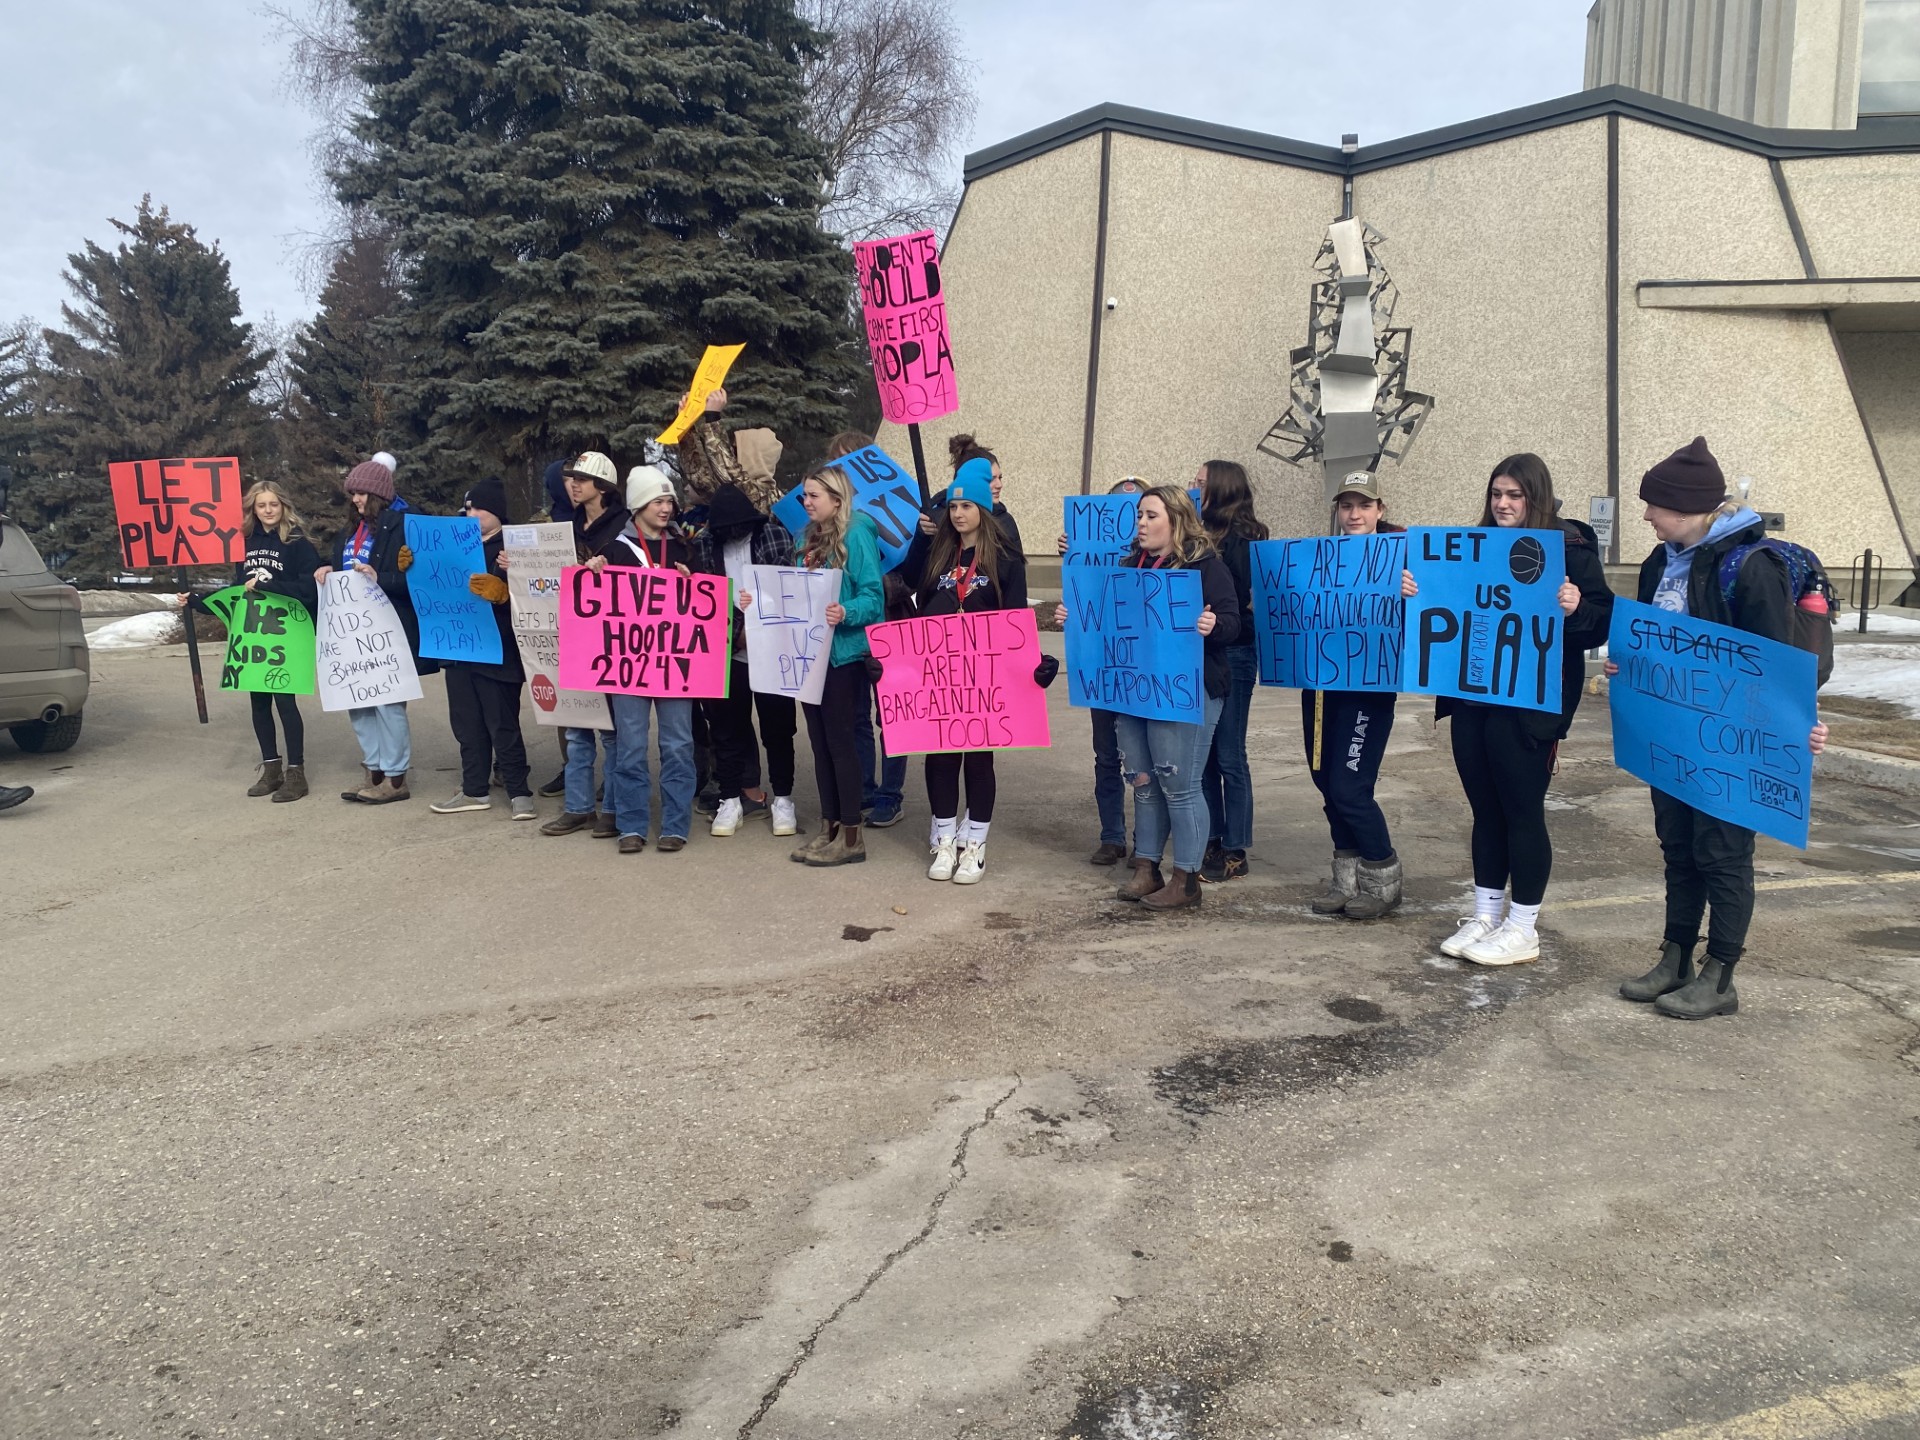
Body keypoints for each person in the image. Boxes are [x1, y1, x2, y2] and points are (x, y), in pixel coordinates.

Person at [1609, 436, 1828, 1019]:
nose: (1646, 515)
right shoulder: (1660, 562)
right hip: (1672, 735)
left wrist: (1797, 729)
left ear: (1683, 507)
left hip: (1733, 745)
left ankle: (1721, 974)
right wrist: (1626, 661)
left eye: (1653, 505)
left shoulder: (1749, 569)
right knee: (1678, 847)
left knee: (1723, 853)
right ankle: (1676, 956)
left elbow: (1779, 665)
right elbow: (1659, 641)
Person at [1411, 454, 1614, 965]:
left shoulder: (1569, 549)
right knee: (1484, 812)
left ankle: (1523, 927)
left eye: (1514, 495)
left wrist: (1575, 608)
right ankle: (1485, 914)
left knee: (1521, 812)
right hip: (1472, 698)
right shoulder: (1473, 548)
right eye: (1497, 494)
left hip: (1530, 707)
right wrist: (1414, 593)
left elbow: (1601, 623)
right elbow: (1443, 605)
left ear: (1536, 497)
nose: (1503, 504)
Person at [1055, 485, 1240, 911]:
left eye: (1151, 515)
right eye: (1139, 515)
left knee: (1179, 784)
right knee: (1141, 781)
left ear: (1175, 520)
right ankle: (1147, 867)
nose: (1141, 522)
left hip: (1186, 691)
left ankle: (1187, 878)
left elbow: (1236, 623)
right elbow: (1106, 622)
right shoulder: (1127, 566)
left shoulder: (1205, 567)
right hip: (1135, 693)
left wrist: (1215, 624)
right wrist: (1074, 616)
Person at [903, 457, 1053, 883]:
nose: (958, 514)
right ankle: (945, 839)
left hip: (985, 676)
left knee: (979, 760)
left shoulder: (1004, 556)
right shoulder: (938, 553)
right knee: (941, 756)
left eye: (966, 507)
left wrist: (1033, 664)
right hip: (942, 673)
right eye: (953, 507)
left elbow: (1016, 617)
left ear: (983, 511)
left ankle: (975, 845)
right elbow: (915, 595)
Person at [1304, 473, 1406, 919]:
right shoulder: (1319, 557)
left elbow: (1430, 611)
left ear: (1380, 509)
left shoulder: (1402, 557)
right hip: (1322, 686)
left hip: (1370, 688)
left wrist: (1411, 592)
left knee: (1350, 786)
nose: (1354, 514)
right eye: (1346, 505)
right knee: (1326, 781)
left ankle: (1383, 876)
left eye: (1363, 505)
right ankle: (1345, 878)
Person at [313, 456, 438, 804]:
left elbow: (420, 580)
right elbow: (344, 569)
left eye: (361, 493)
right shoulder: (350, 530)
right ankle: (374, 770)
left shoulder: (404, 526)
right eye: (352, 493)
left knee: (388, 704)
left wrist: (382, 578)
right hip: (353, 632)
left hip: (389, 629)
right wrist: (327, 572)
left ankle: (396, 778)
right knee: (358, 701)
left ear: (378, 494)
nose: (355, 499)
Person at [199, 480, 321, 803]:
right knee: (258, 703)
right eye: (261, 505)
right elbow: (238, 589)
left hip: (286, 634)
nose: (268, 510)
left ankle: (297, 773)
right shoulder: (245, 542)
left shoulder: (298, 543)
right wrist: (197, 601)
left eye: (273, 504)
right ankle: (272, 769)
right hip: (254, 633)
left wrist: (271, 586)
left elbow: (309, 589)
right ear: (253, 509)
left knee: (285, 702)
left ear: (283, 506)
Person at [692, 477, 801, 840]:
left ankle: (783, 798)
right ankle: (729, 798)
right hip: (727, 653)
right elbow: (706, 598)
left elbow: (789, 590)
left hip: (772, 650)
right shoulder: (706, 545)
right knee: (726, 729)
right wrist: (737, 632)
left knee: (779, 729)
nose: (731, 534)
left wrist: (756, 625)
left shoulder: (774, 537)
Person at [790, 464, 885, 866]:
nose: (807, 502)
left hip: (843, 657)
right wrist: (756, 602)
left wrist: (844, 611)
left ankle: (851, 836)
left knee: (842, 744)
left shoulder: (857, 533)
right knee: (820, 744)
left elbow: (873, 598)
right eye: (805, 496)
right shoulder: (805, 538)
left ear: (837, 499)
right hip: (809, 655)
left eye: (813, 496)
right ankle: (829, 827)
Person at [600, 465, 697, 854]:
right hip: (629, 668)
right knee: (631, 745)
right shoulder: (615, 551)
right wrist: (592, 573)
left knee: (677, 744)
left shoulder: (683, 549)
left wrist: (693, 583)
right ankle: (631, 826)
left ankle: (675, 824)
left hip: (674, 666)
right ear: (638, 505)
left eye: (669, 500)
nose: (666, 507)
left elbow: (704, 604)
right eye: (657, 500)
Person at [427, 476, 534, 820]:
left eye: (476, 506)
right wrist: (414, 567)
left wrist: (505, 591)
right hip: (458, 648)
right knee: (467, 724)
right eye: (467, 506)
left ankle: (520, 793)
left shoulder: (515, 546)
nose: (469, 512)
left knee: (502, 724)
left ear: (496, 511)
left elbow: (542, 593)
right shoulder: (452, 544)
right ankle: (474, 789)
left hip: (499, 649)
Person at [1055, 476, 1146, 866]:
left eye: (1140, 511)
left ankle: (1147, 840)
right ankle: (1112, 837)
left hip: (1142, 670)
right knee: (1106, 756)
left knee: (1144, 760)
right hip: (1102, 667)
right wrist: (1072, 555)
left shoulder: (1162, 560)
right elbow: (1082, 598)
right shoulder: (1086, 556)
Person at [539, 451, 630, 842]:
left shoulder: (624, 527)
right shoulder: (565, 526)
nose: (572, 485)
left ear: (603, 487)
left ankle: (610, 809)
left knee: (610, 732)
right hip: (572, 637)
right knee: (577, 729)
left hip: (612, 641)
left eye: (582, 479)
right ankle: (577, 808)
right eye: (570, 479)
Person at [824, 429, 911, 830]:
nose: (839, 469)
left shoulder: (892, 509)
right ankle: (863, 789)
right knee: (857, 713)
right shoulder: (831, 518)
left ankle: (890, 796)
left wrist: (874, 584)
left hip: (891, 622)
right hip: (851, 631)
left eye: (846, 461)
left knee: (892, 715)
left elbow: (914, 573)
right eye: (834, 463)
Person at [1196, 460, 1268, 884]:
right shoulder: (1196, 536)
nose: (1193, 486)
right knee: (1202, 755)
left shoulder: (1246, 540)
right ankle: (1212, 837)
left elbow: (1253, 601)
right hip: (1200, 653)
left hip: (1236, 653)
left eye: (1200, 482)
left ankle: (1236, 849)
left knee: (1229, 754)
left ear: (1220, 490)